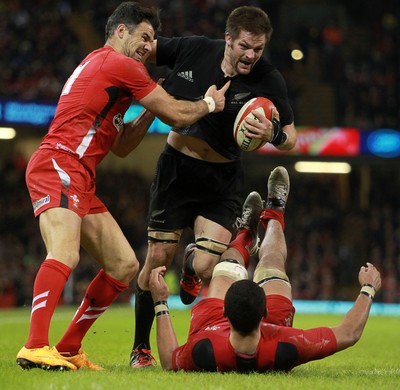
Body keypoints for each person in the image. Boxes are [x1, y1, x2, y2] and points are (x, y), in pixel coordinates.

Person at [16, 1, 230, 372]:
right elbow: (178, 114)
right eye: (144, 37)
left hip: (79, 173)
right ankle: (35, 346)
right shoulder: (120, 64)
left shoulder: (107, 69)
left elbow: (122, 144)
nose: (149, 47)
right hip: (60, 162)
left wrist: (146, 108)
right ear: (120, 32)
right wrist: (210, 102)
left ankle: (68, 349)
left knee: (124, 266)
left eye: (152, 40)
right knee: (65, 254)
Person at [130, 5, 297, 368]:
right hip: (177, 169)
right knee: (156, 261)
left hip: (222, 179)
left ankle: (191, 269)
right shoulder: (193, 49)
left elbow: (292, 139)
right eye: (244, 46)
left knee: (208, 265)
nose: (251, 55)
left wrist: (275, 133)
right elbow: (144, 49)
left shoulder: (268, 79)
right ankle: (140, 347)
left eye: (258, 48)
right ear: (227, 39)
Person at [148, 166, 382, 372]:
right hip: (273, 330)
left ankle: (246, 234)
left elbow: (169, 361)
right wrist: (368, 288)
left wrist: (160, 302)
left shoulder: (205, 348)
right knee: (272, 264)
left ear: (225, 312)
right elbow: (348, 333)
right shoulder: (286, 345)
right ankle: (274, 211)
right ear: (264, 314)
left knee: (228, 267)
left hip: (210, 325)